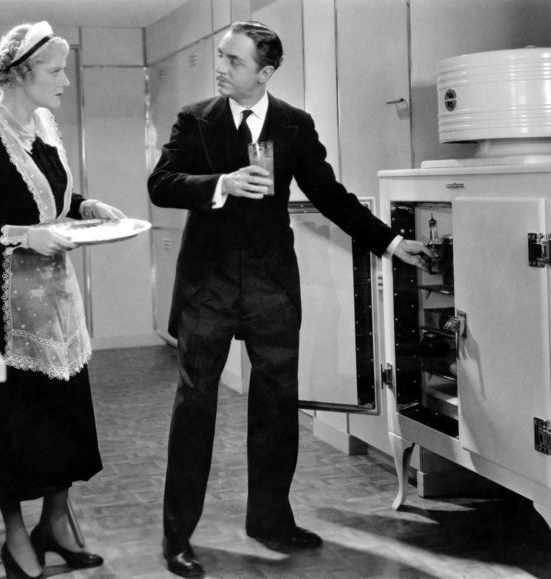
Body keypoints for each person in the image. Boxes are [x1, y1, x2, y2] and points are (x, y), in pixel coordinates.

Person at [147, 19, 433, 578]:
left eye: (233, 61)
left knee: (277, 408)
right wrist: (220, 184)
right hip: (207, 286)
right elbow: (161, 184)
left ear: (266, 72)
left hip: (270, 286)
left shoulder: (294, 125)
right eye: (220, 57)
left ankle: (271, 520)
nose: (220, 68)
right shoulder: (194, 119)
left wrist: (391, 242)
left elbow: (329, 194)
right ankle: (177, 536)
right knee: (195, 407)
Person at [0, 21, 126, 579]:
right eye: (55, 71)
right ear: (22, 74)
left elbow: (47, 195)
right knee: (16, 420)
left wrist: (85, 204)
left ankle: (55, 522)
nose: (65, 81)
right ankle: (15, 536)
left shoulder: (43, 124)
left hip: (54, 296)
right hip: (4, 299)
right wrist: (25, 235)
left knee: (63, 413)